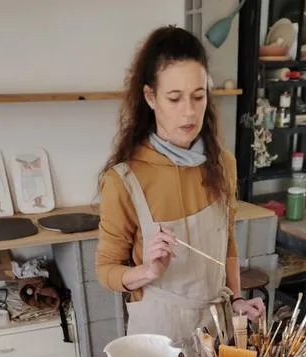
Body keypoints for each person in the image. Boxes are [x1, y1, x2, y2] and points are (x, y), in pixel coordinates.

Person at [96, 26, 264, 341]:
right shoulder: (124, 180)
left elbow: (227, 241)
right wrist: (147, 270)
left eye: (198, 96)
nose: (189, 111)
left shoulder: (222, 164)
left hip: (216, 327)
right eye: (174, 98)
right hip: (159, 335)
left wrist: (237, 299)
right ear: (150, 97)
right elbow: (106, 270)